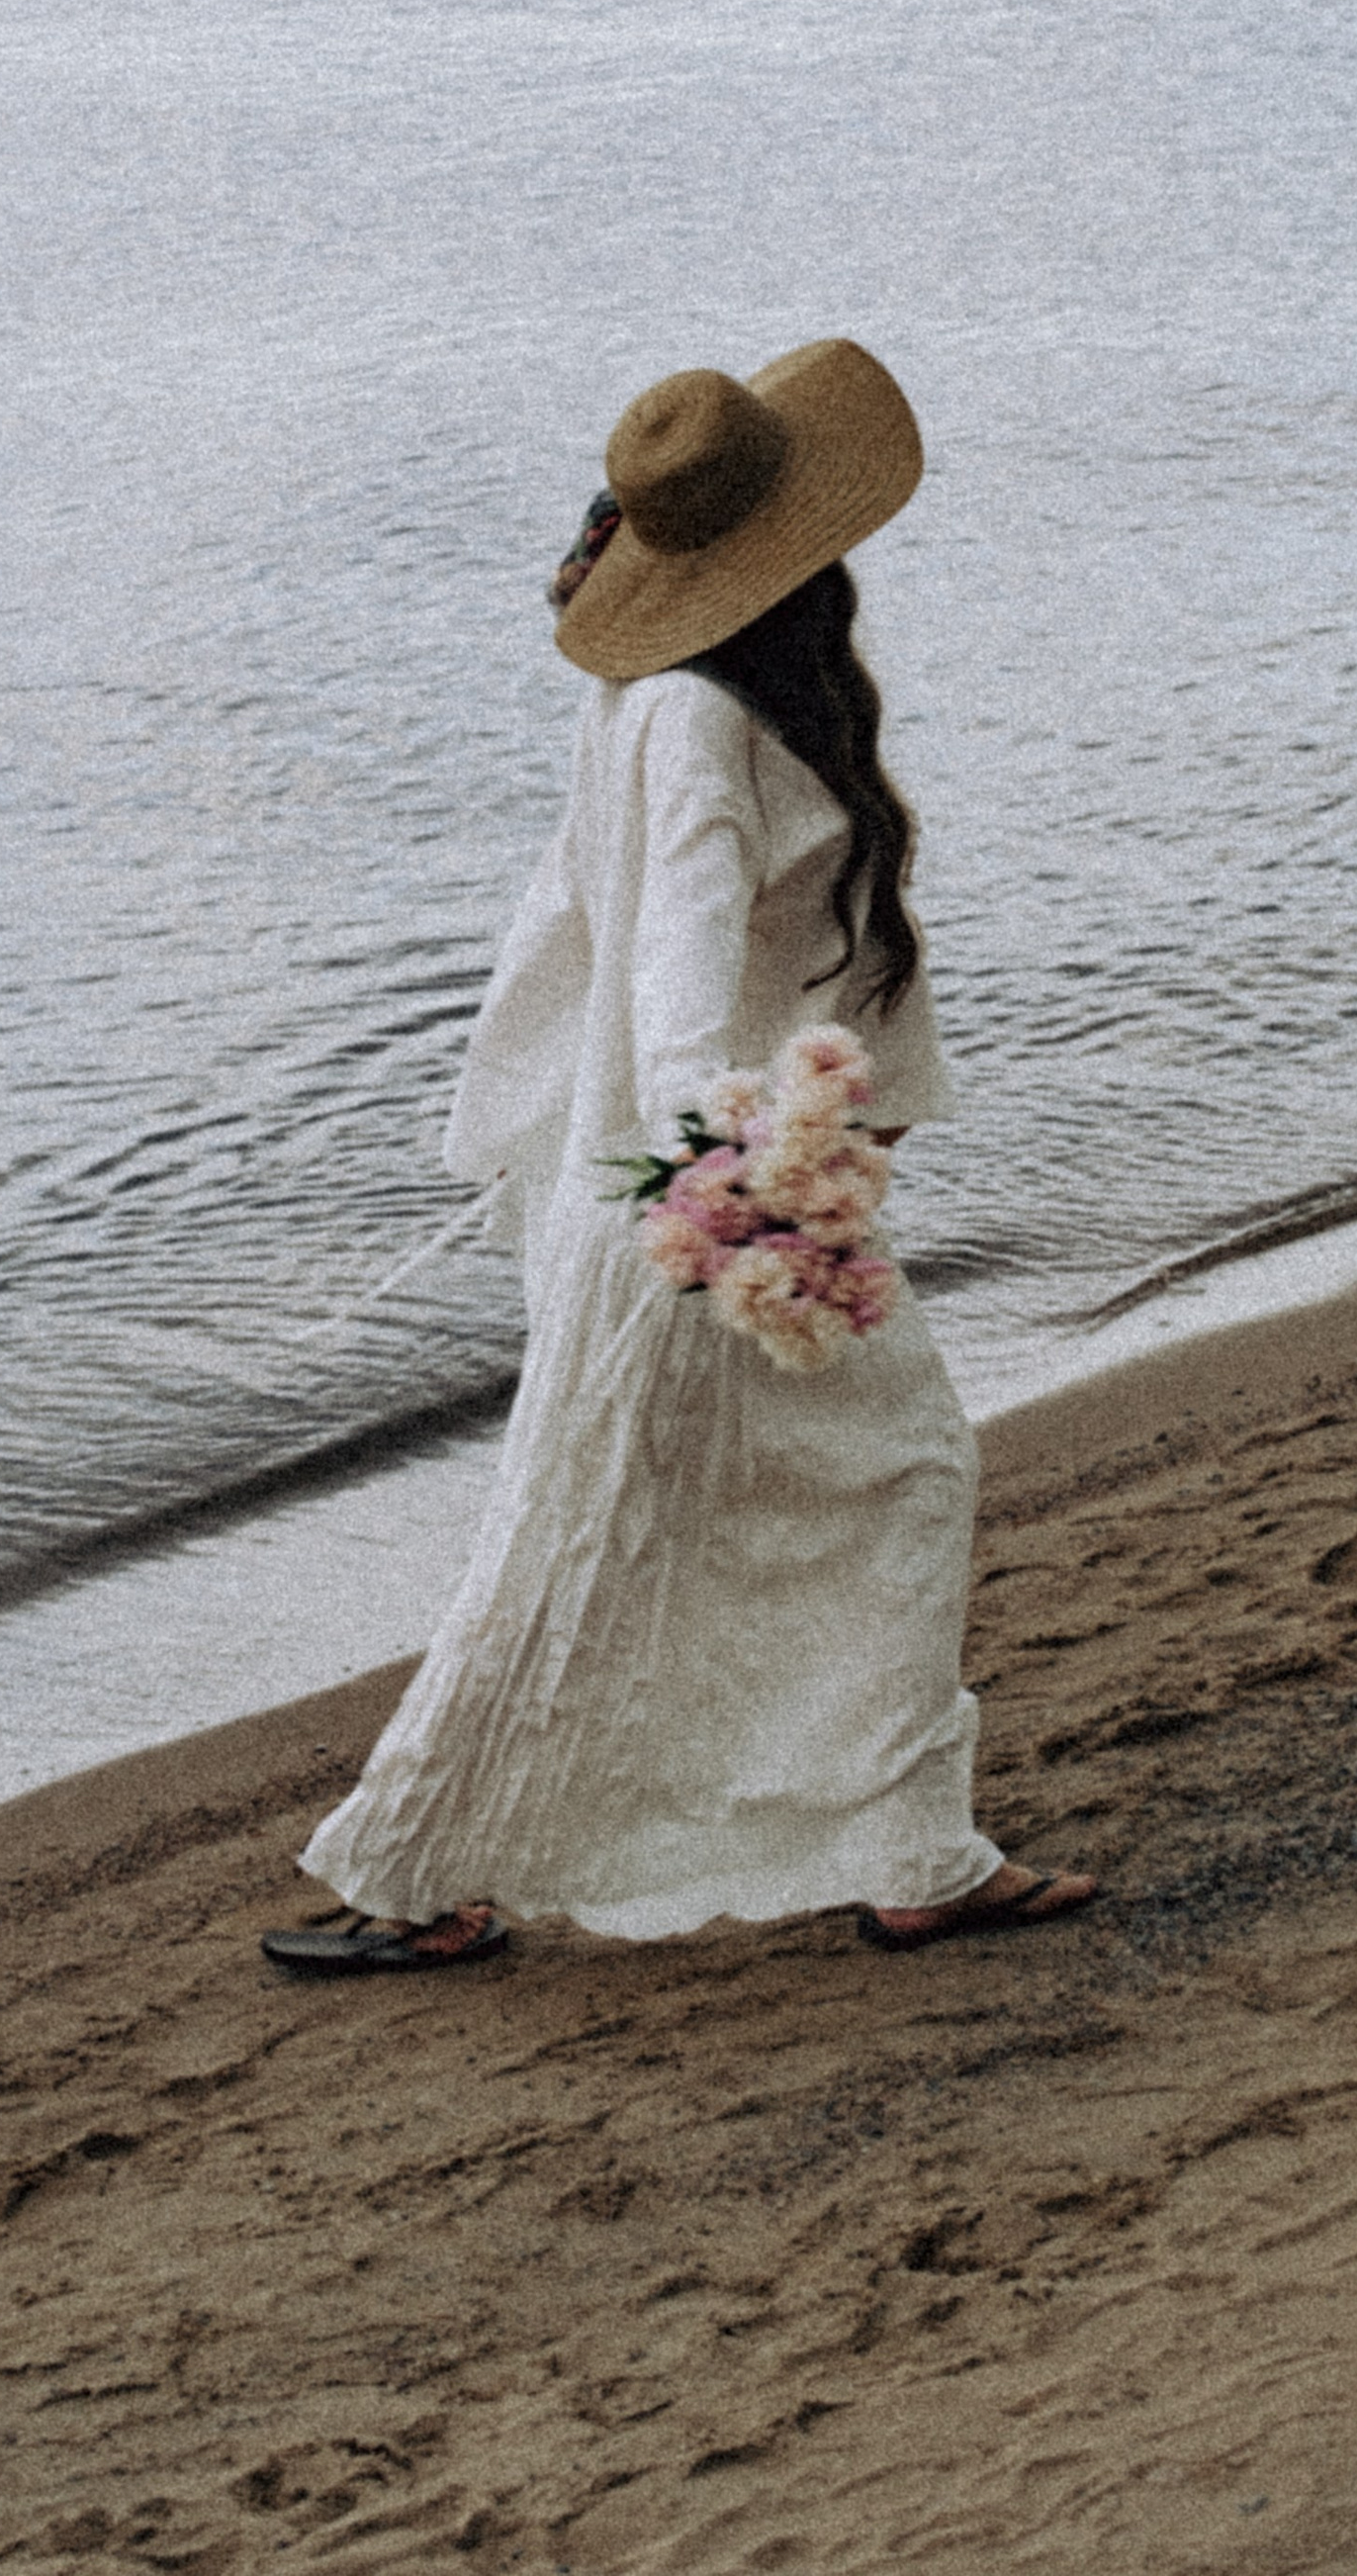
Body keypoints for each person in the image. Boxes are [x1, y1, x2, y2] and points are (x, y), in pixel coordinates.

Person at [263, 338, 1094, 1974]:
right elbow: (668, 978)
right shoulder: (700, 722)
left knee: (626, 1520)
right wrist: (742, 1208)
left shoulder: (670, 705)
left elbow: (587, 939)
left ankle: (886, 1845)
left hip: (673, 1191)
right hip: (698, 1202)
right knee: (739, 1499)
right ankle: (427, 1875)